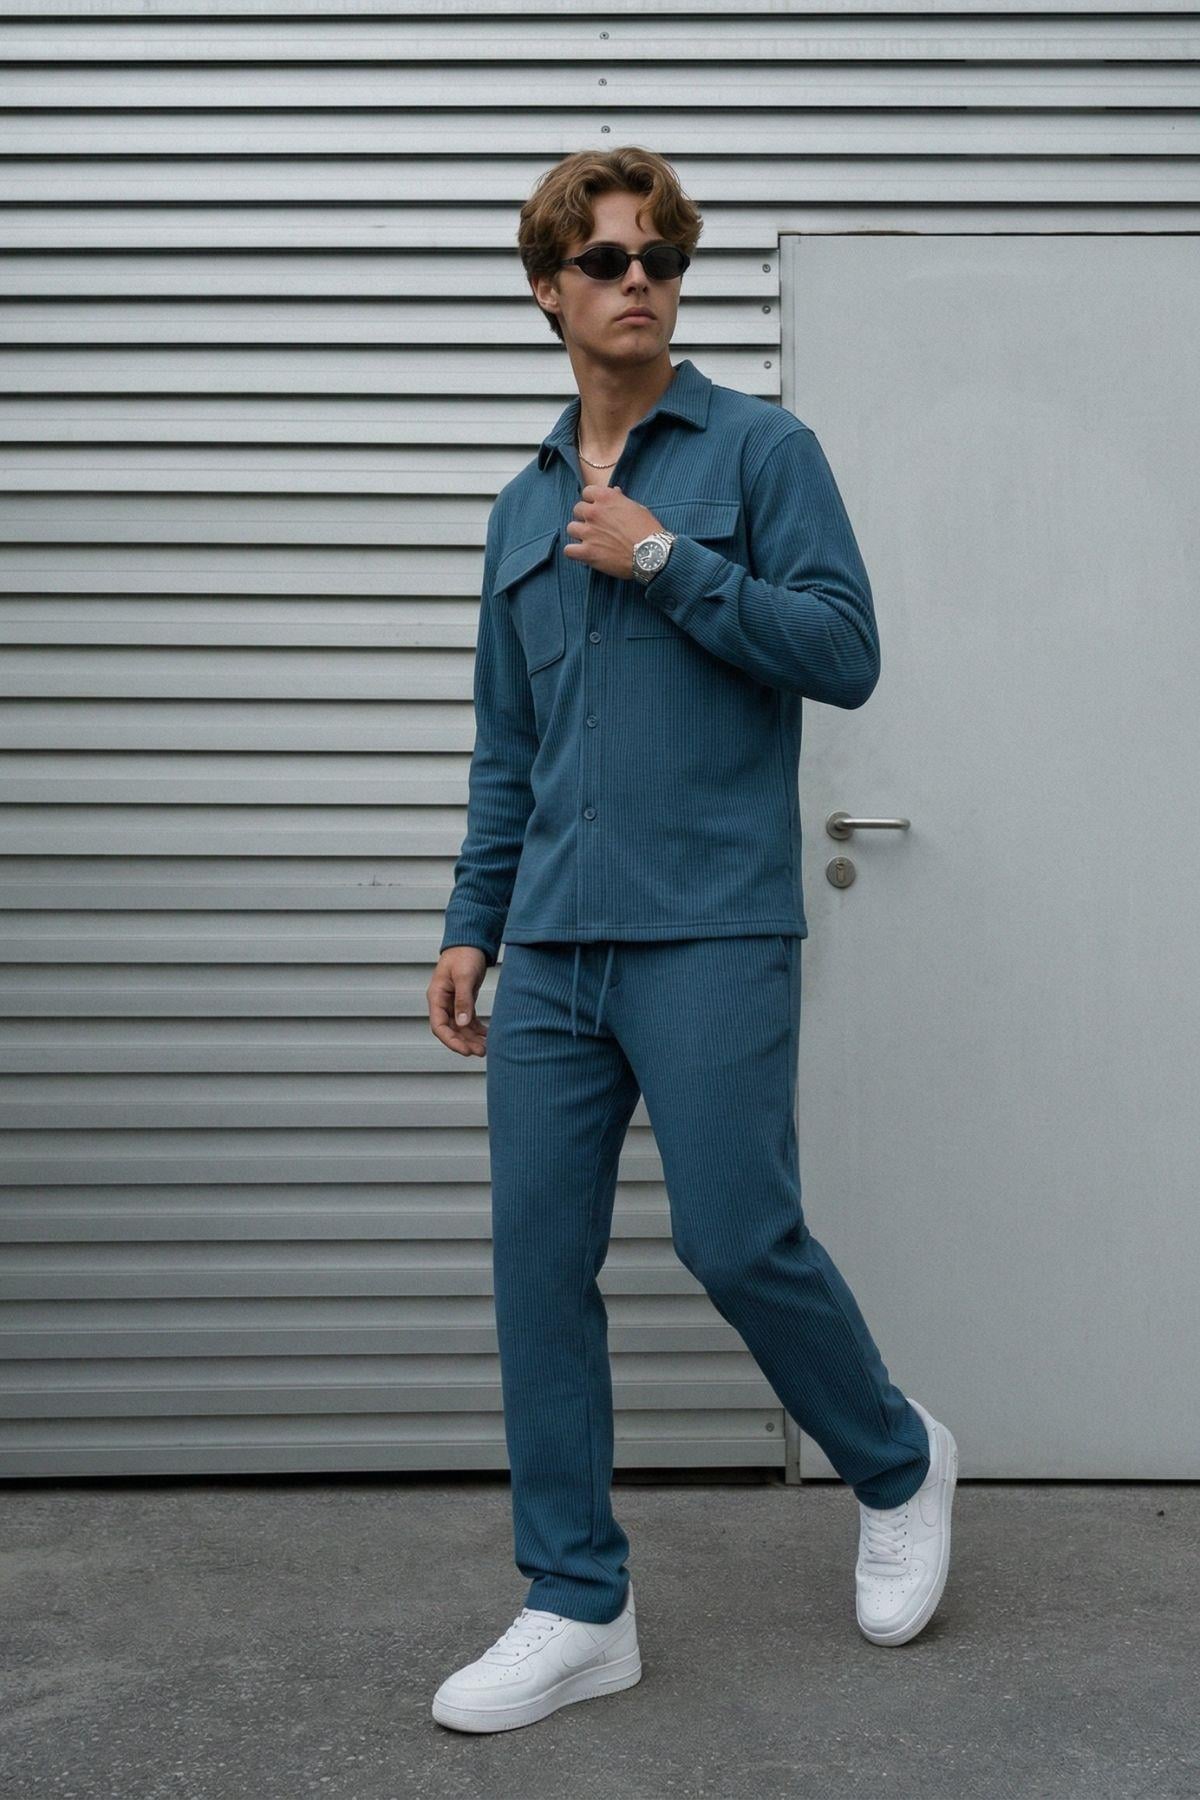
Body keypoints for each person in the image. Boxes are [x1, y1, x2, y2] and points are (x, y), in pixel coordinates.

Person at [426, 146, 958, 1735]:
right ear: (548, 290)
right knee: (538, 1268)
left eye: (661, 256)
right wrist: (470, 925)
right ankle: (576, 1601)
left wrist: (664, 559)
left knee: (737, 1238)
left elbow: (843, 652)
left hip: (711, 925)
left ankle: (897, 1460)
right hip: (551, 946)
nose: (640, 280)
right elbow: (509, 748)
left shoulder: (761, 452)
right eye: (605, 260)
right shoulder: (522, 507)